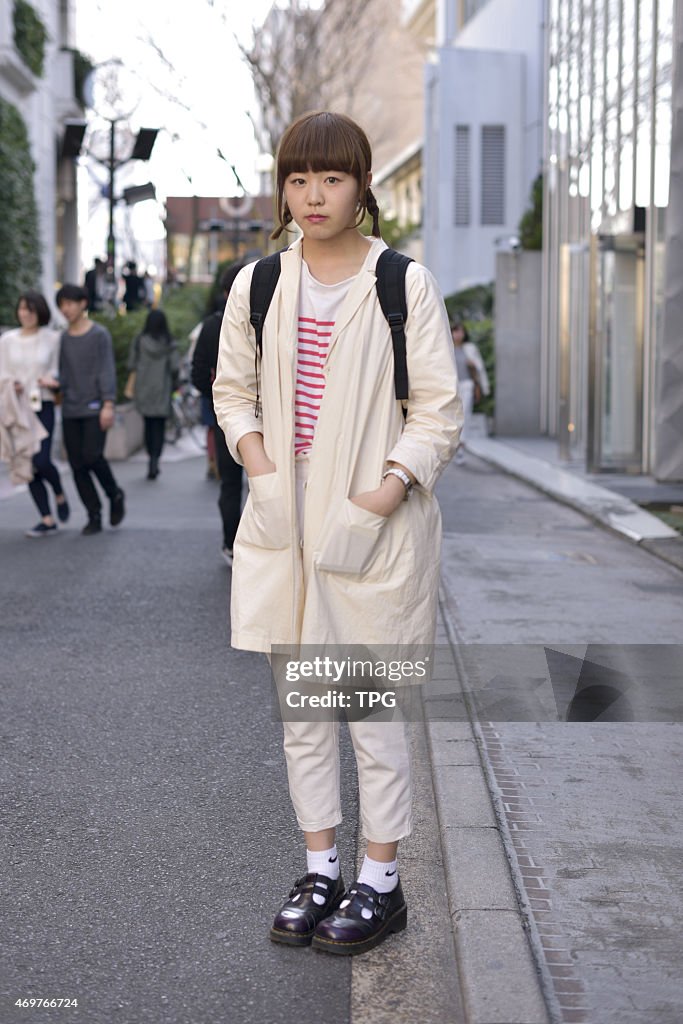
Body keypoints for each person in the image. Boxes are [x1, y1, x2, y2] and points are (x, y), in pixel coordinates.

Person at [213, 111, 462, 955]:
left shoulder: (402, 283)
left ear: (362, 185)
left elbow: (437, 412)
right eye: (297, 178)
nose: (312, 196)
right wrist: (264, 469)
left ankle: (380, 883)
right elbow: (231, 392)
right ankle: (320, 867)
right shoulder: (259, 284)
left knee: (367, 714)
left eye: (330, 178)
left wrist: (384, 493)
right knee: (303, 716)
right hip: (288, 521)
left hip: (370, 524)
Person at [56, 283, 125, 535]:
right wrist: (54, 385)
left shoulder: (99, 335)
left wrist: (108, 403)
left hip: (96, 406)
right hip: (71, 408)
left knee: (92, 456)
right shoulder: (63, 338)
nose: (66, 309)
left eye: (70, 303)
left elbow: (106, 369)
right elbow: (63, 373)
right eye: (62, 304)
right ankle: (93, 513)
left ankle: (114, 494)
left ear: (83, 303)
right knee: (77, 465)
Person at [0, 290, 70, 536]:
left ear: (39, 311)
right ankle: (46, 518)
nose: (25, 314)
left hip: (44, 405)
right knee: (27, 462)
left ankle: (59, 492)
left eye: (30, 310)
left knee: (41, 460)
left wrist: (54, 380)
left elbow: (60, 370)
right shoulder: (7, 340)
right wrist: (11, 383)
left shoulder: (53, 338)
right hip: (18, 408)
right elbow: (2, 372)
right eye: (21, 309)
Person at [191, 264, 245, 564]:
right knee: (268, 480)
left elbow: (197, 371)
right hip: (266, 414)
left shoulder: (212, 325)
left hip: (226, 416)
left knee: (230, 482)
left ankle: (231, 543)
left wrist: (215, 400)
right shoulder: (264, 319)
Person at [128, 309, 179, 479]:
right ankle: (155, 460)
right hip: (162, 389)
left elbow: (131, 364)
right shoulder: (170, 344)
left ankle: (150, 458)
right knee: (159, 426)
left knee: (148, 424)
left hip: (143, 388)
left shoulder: (139, 341)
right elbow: (174, 367)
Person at [450, 317, 490, 465]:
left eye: (460, 331)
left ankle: (461, 447)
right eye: (455, 331)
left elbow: (480, 369)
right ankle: (455, 446)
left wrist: (473, 365)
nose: (458, 335)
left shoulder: (470, 348)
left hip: (466, 385)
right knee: (452, 416)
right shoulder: (446, 346)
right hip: (452, 386)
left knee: (464, 415)